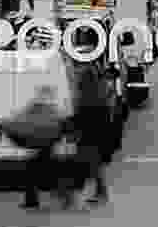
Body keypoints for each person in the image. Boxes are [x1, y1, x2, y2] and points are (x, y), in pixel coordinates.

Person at [60, 62, 113, 208]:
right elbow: (106, 118)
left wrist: (69, 127)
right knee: (94, 167)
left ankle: (70, 198)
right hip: (96, 137)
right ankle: (100, 193)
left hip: (87, 137)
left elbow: (80, 117)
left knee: (76, 167)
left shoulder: (85, 97)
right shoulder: (99, 94)